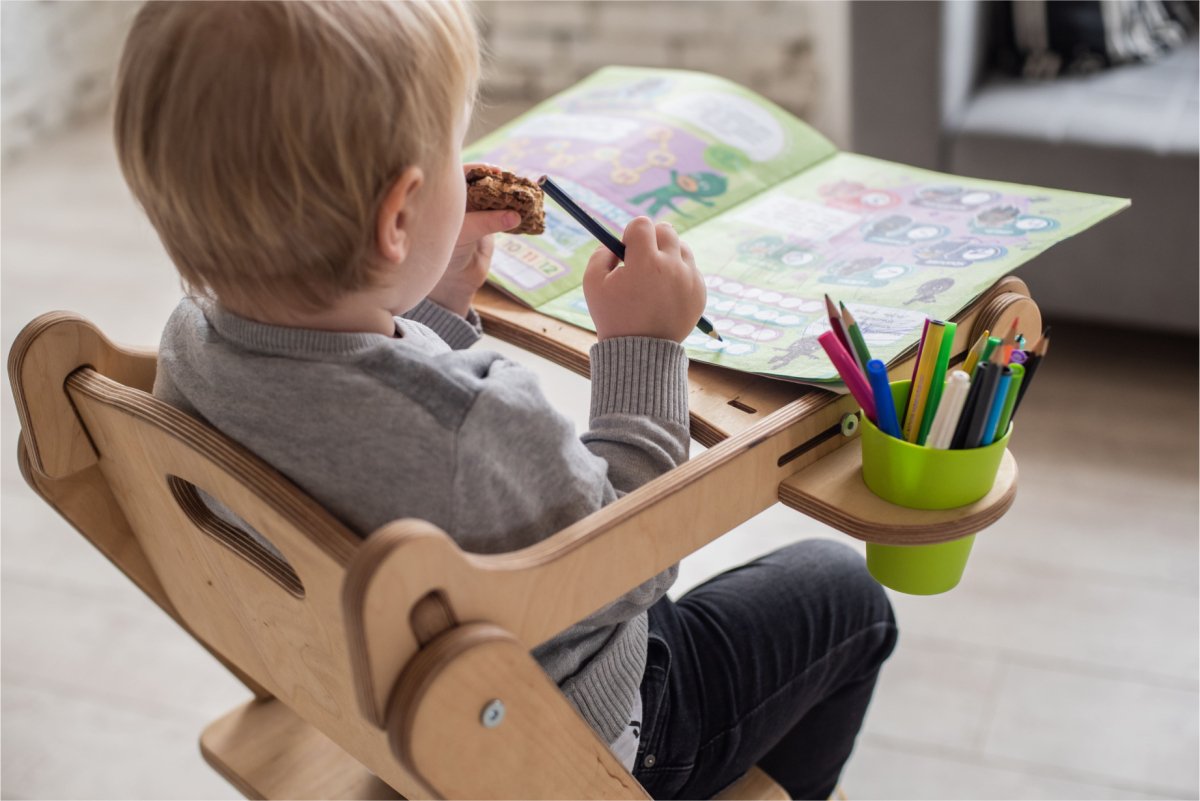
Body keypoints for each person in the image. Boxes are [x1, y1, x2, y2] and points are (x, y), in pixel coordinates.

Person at [112, 3, 896, 797]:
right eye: (456, 147)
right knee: (845, 596)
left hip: (365, 692)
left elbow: (343, 412)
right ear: (398, 217)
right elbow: (632, 561)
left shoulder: (190, 343)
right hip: (565, 738)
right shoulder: (473, 423)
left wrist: (431, 301)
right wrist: (645, 345)